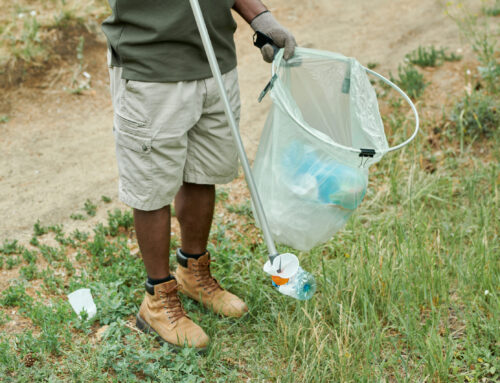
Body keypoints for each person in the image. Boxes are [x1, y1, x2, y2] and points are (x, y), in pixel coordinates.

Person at [102, 0, 297, 351]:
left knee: (202, 172)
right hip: (152, 68)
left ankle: (193, 272)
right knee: (152, 187)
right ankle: (157, 299)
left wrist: (259, 16)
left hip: (215, 61)